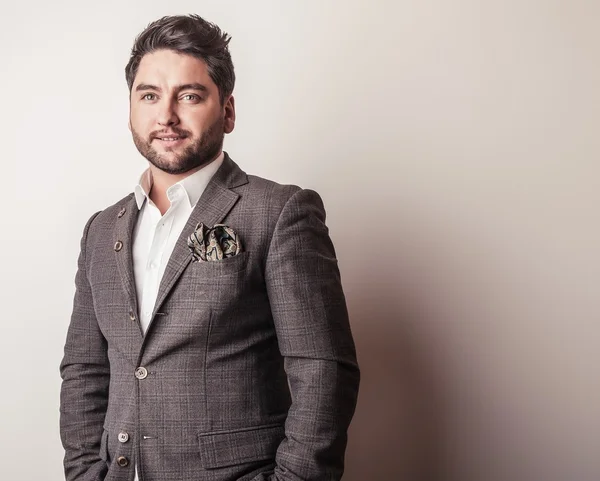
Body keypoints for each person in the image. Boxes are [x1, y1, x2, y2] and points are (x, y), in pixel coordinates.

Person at [59, 14, 360, 481]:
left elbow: (324, 372)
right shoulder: (100, 230)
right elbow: (84, 370)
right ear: (131, 109)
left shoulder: (279, 212)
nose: (166, 116)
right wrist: (83, 473)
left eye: (190, 95)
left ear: (228, 110)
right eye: (149, 95)